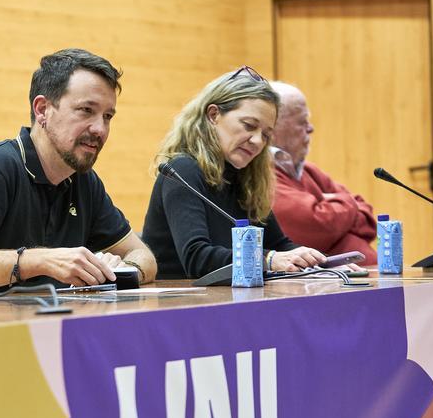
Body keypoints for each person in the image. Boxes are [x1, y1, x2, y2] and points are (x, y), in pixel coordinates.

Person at [0, 48, 157, 289]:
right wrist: (39, 260)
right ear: (42, 109)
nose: (100, 129)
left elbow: (144, 257)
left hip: (46, 322)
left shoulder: (84, 181)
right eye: (86, 110)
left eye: (107, 116)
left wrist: (122, 271)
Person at [142, 66, 331, 279]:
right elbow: (197, 258)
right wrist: (269, 259)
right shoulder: (182, 170)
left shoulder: (244, 179)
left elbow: (279, 245)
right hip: (180, 304)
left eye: (267, 135)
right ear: (213, 115)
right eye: (249, 126)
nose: (258, 141)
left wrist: (325, 264)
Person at [269, 81, 377, 265]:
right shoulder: (263, 175)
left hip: (363, 278)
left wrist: (331, 208)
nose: (311, 129)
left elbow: (368, 222)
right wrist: (348, 202)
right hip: (325, 287)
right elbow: (317, 228)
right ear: (274, 126)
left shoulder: (308, 170)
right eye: (302, 122)